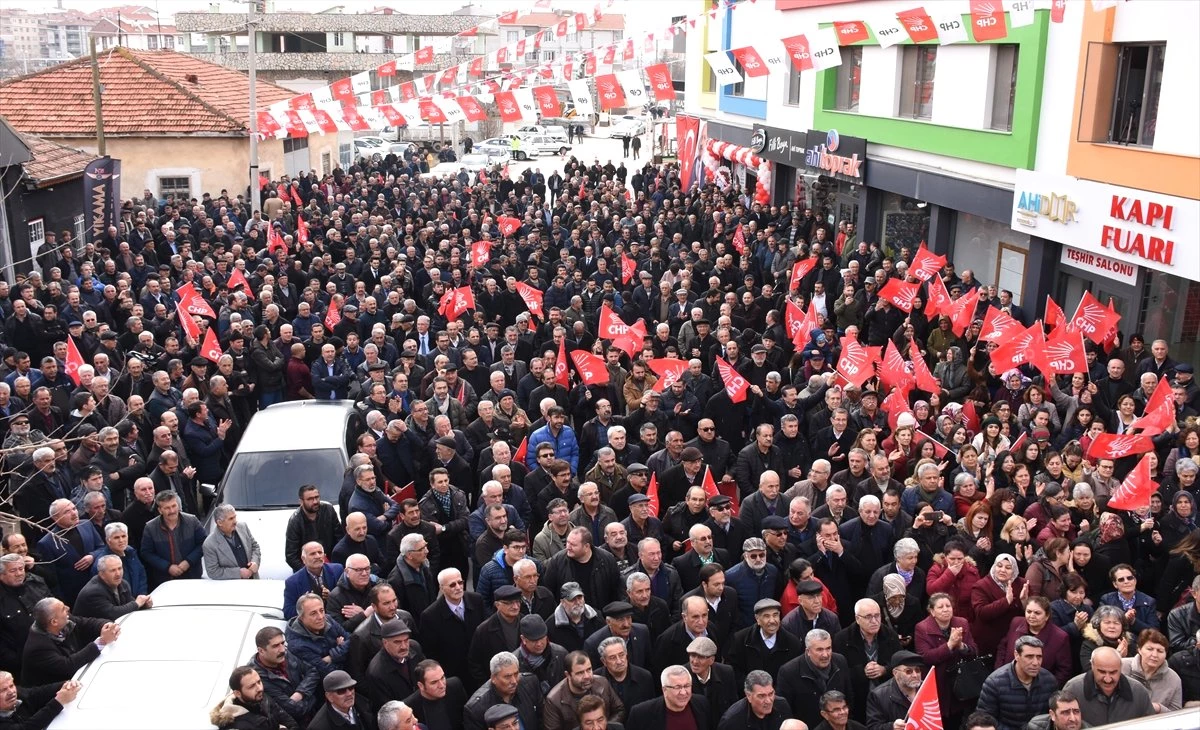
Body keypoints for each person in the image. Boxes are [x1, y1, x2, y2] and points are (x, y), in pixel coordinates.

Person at [21, 597, 119, 685]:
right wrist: (102, 641)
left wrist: (107, 625)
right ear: (54, 622)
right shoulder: (38, 647)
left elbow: (87, 623)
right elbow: (68, 666)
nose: (68, 608)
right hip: (54, 693)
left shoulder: (65, 620)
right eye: (63, 609)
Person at [975, 635, 1059, 730]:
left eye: (1039, 657)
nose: (1036, 662)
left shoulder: (1049, 681)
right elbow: (984, 719)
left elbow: (1053, 715)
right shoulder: (995, 682)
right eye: (1029, 657)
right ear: (1016, 655)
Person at [1061, 646, 1155, 726]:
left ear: (1120, 667)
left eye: (1113, 672)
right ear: (1092, 666)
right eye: (1102, 672)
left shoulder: (1138, 692)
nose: (1108, 679)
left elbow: (1151, 725)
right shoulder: (1073, 689)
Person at [250, 626, 322, 725]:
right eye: (275, 646)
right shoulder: (257, 678)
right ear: (261, 651)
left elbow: (313, 672)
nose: (282, 649)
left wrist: (300, 693)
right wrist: (312, 697)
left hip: (314, 715)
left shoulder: (287, 654)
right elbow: (293, 710)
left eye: (283, 643)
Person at [543, 650, 625, 730]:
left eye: (589, 669)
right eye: (580, 673)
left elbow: (619, 710)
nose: (587, 676)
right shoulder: (554, 700)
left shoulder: (602, 683)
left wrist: (603, 726)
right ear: (568, 675)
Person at [463, 652, 543, 730]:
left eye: (516, 674)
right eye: (507, 677)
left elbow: (541, 720)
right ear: (493, 678)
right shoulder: (476, 709)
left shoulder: (530, 683)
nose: (514, 681)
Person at [210, 666, 298, 730]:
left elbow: (288, 720)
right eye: (252, 686)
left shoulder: (261, 697)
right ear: (237, 693)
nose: (259, 688)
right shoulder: (234, 724)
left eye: (259, 682)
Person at [625, 664, 712, 729]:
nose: (683, 692)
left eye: (686, 686)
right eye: (677, 687)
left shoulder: (701, 703)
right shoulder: (641, 714)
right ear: (664, 690)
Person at [1120, 628, 1182, 713]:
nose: (1155, 655)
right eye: (1150, 649)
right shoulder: (1121, 666)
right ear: (1139, 650)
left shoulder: (1174, 679)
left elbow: (1177, 714)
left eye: (1160, 651)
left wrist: (1159, 708)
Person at [72, 553, 151, 620]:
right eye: (113, 570)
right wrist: (137, 604)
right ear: (102, 574)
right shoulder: (93, 591)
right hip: (91, 635)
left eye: (120, 568)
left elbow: (130, 604)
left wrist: (144, 604)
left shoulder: (123, 583)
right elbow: (113, 613)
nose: (118, 574)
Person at [864, 650, 926, 730]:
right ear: (895, 673)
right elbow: (872, 727)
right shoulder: (878, 695)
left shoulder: (927, 687)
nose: (915, 675)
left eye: (917, 670)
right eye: (908, 671)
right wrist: (892, 726)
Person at [0, 670, 80, 730]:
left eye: (11, 686)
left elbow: (39, 693)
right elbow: (26, 728)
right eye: (3, 690)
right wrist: (58, 702)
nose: (11, 692)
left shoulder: (19, 693)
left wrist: (66, 685)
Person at [402, 660, 468, 730]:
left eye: (442, 677)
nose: (442, 685)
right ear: (421, 686)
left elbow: (467, 719)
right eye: (434, 682)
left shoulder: (455, 686)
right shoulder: (408, 707)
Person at [716, 670, 792, 730]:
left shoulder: (782, 706)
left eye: (771, 694)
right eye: (761, 696)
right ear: (748, 696)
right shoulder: (731, 721)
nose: (768, 701)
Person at [202, 504, 261, 580]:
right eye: (231, 519)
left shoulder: (243, 527)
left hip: (254, 581)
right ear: (219, 523)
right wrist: (238, 573)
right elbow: (213, 571)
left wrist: (255, 562)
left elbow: (255, 546)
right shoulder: (209, 544)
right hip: (232, 587)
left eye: (235, 517)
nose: (235, 521)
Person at [308, 670, 377, 730]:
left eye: (351, 687)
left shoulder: (365, 705)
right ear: (329, 697)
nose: (349, 693)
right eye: (341, 691)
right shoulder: (319, 727)